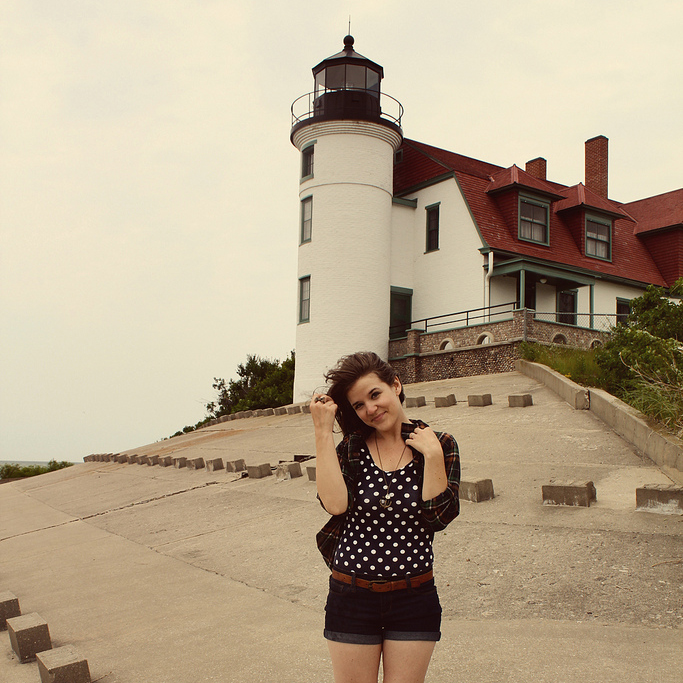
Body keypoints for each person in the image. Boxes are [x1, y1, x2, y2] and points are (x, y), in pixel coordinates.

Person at [310, 351, 460, 683]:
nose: (370, 409)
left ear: (395, 385)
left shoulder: (440, 444)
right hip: (351, 595)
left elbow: (437, 518)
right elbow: (334, 504)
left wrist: (432, 455)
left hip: (414, 597)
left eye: (375, 394)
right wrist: (323, 431)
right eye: (359, 405)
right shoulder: (351, 448)